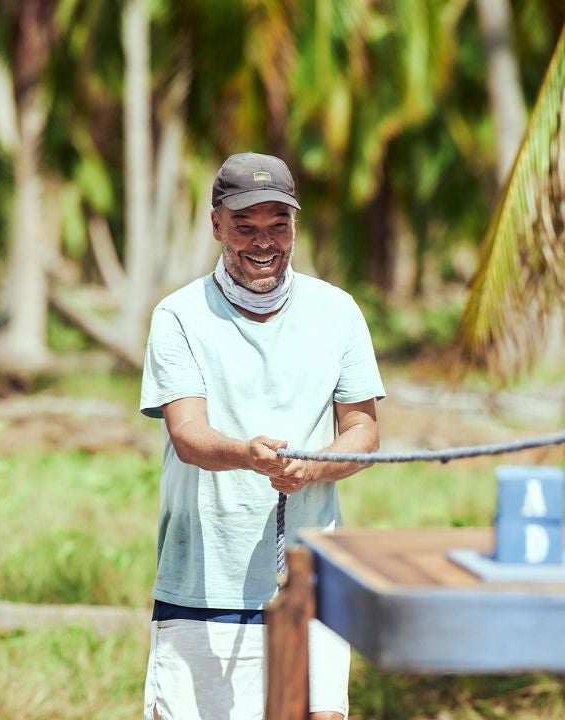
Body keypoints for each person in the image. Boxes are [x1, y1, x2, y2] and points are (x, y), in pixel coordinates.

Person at [139, 152, 385, 720]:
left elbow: (364, 431)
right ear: (216, 224)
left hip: (312, 576)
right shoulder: (178, 316)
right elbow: (189, 435)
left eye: (278, 224)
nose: (263, 241)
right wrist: (249, 456)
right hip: (203, 580)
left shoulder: (338, 312)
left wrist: (312, 468)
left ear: (295, 226)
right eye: (245, 226)